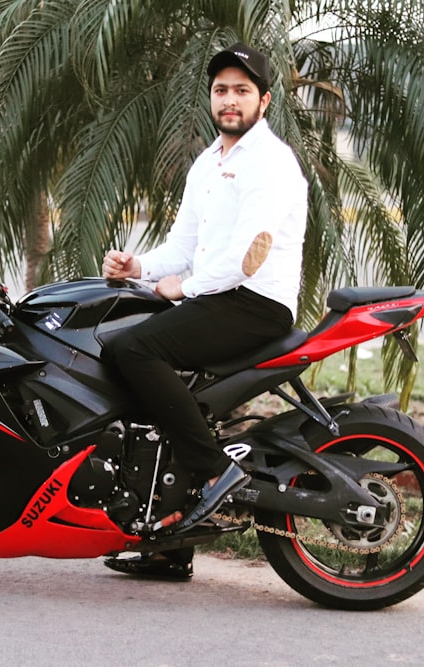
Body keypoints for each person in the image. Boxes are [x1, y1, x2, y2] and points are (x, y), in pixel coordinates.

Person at [100, 42, 309, 580]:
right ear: (210, 99)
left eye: (242, 91)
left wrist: (183, 289)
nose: (230, 100)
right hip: (219, 297)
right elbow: (183, 247)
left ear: (264, 100)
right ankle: (169, 541)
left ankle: (216, 473)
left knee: (134, 347)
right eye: (221, 90)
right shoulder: (208, 164)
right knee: (130, 361)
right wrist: (137, 266)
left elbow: (246, 258)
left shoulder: (270, 162)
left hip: (256, 303)